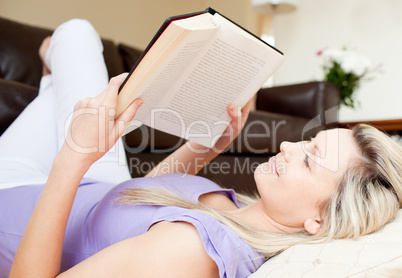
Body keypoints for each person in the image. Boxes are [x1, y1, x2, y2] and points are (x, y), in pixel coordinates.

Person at [1, 19, 401, 278]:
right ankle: (52, 83)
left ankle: (52, 82)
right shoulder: (244, 214)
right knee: (76, 34)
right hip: (92, 185)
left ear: (319, 220)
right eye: (308, 142)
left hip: (19, 195)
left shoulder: (192, 254)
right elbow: (135, 202)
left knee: (70, 38)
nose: (286, 145)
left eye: (311, 161)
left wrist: (72, 156)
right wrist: (206, 147)